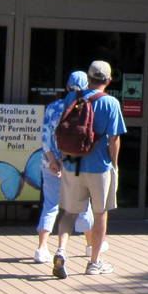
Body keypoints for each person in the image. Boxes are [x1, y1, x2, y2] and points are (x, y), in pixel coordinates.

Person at [51, 59, 126, 277]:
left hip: (72, 163)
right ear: (108, 80)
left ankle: (61, 251)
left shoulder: (71, 98)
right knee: (100, 213)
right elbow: (114, 139)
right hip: (99, 166)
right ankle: (94, 262)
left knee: (69, 212)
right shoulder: (110, 103)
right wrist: (115, 164)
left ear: (89, 77)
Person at [34, 70, 94, 266]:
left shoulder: (53, 107)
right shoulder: (84, 108)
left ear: (67, 86)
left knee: (50, 204)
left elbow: (44, 137)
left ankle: (42, 248)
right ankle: (90, 245)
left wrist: (52, 160)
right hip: (75, 163)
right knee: (82, 205)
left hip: (50, 164)